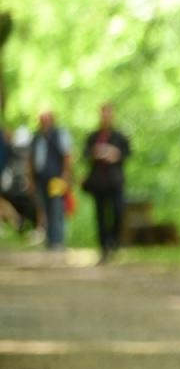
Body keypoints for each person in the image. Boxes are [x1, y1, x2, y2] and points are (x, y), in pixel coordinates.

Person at [82, 103, 132, 263]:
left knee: (118, 212)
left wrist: (115, 154)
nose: (106, 117)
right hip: (98, 182)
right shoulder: (93, 137)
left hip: (115, 181)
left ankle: (114, 241)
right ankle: (104, 248)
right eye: (103, 114)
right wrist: (95, 153)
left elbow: (127, 154)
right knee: (101, 215)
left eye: (108, 114)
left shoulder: (119, 136)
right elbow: (85, 154)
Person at [27, 110, 74, 250]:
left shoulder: (60, 134)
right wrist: (30, 179)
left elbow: (67, 155)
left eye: (46, 119)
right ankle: (49, 241)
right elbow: (30, 159)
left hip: (56, 179)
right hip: (40, 178)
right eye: (42, 120)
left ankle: (58, 241)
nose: (44, 123)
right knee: (43, 207)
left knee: (56, 207)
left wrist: (65, 175)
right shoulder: (36, 137)